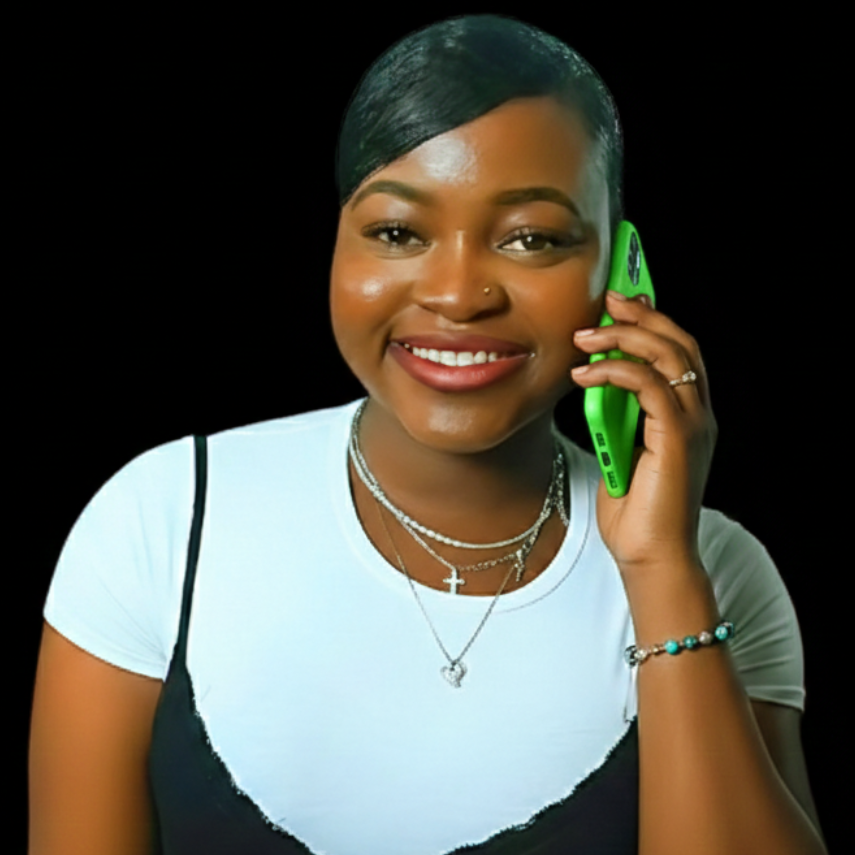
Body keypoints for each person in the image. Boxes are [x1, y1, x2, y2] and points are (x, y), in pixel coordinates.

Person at [29, 14, 826, 855]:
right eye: (398, 232)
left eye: (531, 238)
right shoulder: (162, 520)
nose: (457, 293)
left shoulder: (714, 567)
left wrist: (661, 571)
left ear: (621, 271)